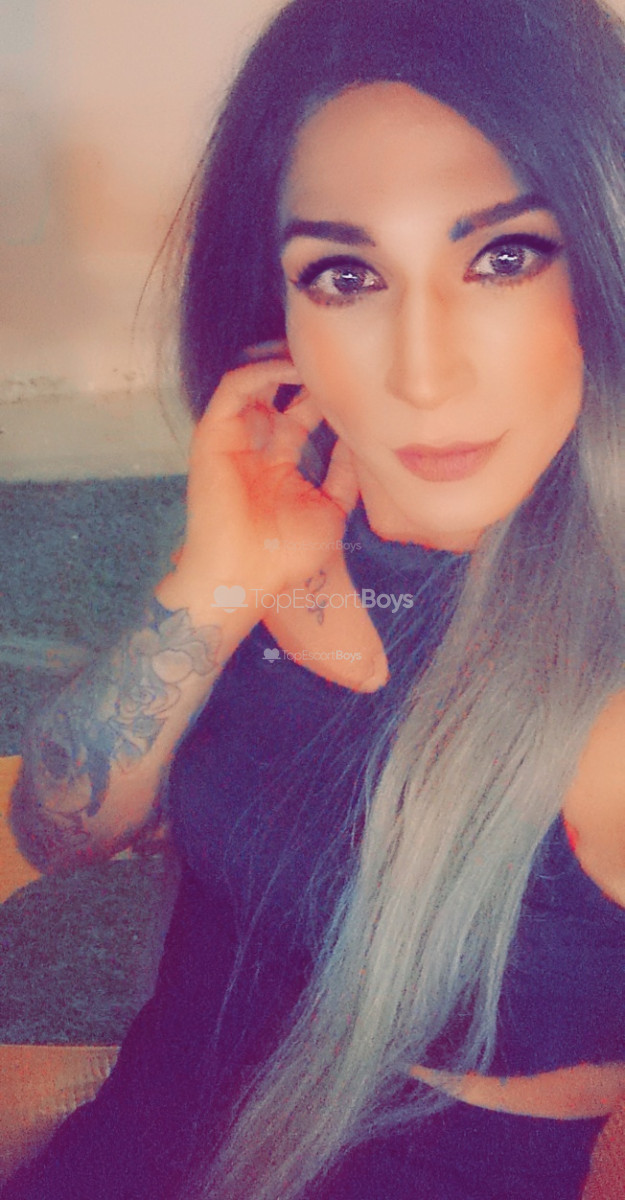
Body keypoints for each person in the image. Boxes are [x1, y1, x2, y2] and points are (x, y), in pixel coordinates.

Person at [4, 0, 625, 1196]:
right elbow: (55, 826)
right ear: (277, 310)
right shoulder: (292, 502)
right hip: (127, 1146)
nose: (423, 374)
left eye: (502, 256)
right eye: (345, 274)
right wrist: (214, 581)